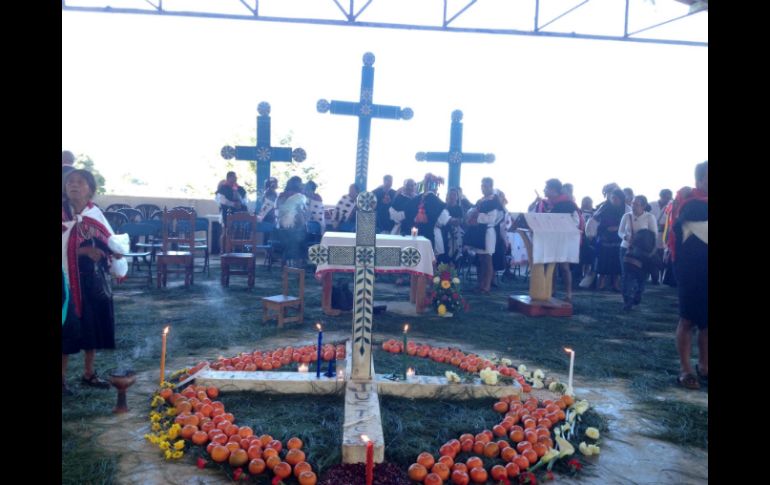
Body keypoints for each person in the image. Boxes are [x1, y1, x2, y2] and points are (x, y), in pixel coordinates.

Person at [62, 169, 129, 395]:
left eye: (80, 182)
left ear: (90, 189)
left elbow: (108, 241)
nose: (74, 185)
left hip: (91, 280)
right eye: (70, 182)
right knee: (66, 326)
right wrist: (83, 250)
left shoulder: (95, 214)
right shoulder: (61, 213)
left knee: (90, 324)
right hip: (65, 280)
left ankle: (88, 373)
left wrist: (113, 254)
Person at [671, 161, 708, 390]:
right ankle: (685, 369)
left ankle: (705, 365)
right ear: (699, 181)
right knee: (688, 320)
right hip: (691, 270)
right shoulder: (692, 205)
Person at [530, 178, 581, 301]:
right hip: (548, 238)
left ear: (553, 190)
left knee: (564, 267)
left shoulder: (568, 204)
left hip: (562, 239)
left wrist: (560, 224)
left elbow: (576, 222)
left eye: (546, 188)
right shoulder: (545, 203)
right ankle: (550, 291)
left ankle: (568, 294)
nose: (544, 190)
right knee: (550, 265)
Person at [618, 195, 657, 311]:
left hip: (642, 251)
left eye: (636, 204)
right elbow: (620, 232)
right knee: (626, 274)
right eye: (632, 203)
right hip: (626, 248)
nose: (633, 206)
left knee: (641, 275)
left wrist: (652, 250)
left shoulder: (650, 217)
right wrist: (625, 237)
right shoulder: (626, 216)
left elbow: (654, 234)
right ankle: (627, 300)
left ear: (643, 206)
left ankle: (637, 294)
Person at [465, 177, 504, 293]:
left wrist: (477, 217)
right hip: (479, 232)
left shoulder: (494, 201)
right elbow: (472, 210)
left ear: (491, 187)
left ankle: (486, 286)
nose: (483, 188)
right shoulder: (481, 200)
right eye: (482, 186)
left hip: (488, 232)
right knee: (480, 259)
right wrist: (471, 214)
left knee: (487, 259)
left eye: (486, 186)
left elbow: (492, 218)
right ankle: (479, 284)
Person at [276, 176, 308, 268]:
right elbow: (301, 212)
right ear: (297, 184)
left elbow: (278, 211)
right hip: (293, 227)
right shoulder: (300, 197)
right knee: (299, 237)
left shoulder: (281, 195)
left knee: (292, 240)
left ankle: (286, 262)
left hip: (280, 227)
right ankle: (298, 263)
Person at [648, 189, 673, 284]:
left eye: (669, 198)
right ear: (660, 196)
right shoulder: (651, 205)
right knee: (652, 256)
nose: (667, 200)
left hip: (663, 235)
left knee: (662, 256)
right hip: (652, 235)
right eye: (665, 197)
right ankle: (654, 277)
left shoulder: (670, 207)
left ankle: (661, 278)